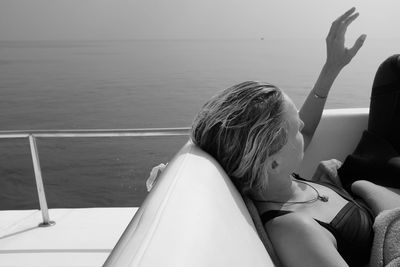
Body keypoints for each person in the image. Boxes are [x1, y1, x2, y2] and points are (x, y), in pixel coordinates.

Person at [190, 7, 400, 267]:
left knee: (394, 69)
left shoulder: (276, 178)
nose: (303, 125)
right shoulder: (295, 230)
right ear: (274, 163)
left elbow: (307, 128)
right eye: (295, 128)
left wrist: (331, 67)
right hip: (388, 219)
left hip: (374, 193)